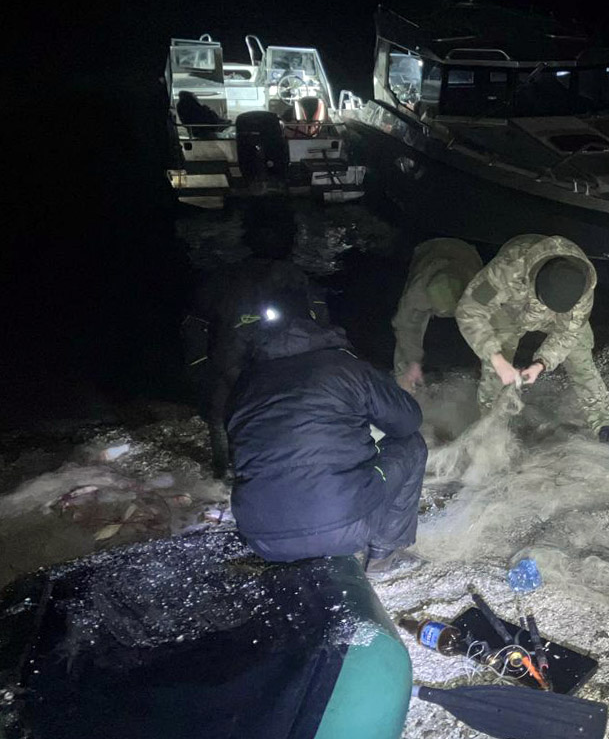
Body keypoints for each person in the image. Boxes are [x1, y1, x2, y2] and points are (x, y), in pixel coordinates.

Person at [226, 313, 428, 577]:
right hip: (343, 527)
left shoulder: (245, 384)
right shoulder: (344, 367)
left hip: (262, 539)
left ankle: (297, 549)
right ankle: (383, 556)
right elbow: (408, 422)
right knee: (411, 444)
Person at [181, 210, 328, 477]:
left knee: (225, 416)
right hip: (257, 367)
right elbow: (319, 325)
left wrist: (199, 362)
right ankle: (230, 471)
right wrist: (199, 362)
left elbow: (196, 323)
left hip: (250, 366)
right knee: (226, 416)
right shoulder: (292, 278)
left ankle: (231, 472)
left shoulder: (229, 278)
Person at [455, 234, 609, 446]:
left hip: (558, 317)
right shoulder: (509, 268)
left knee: (581, 358)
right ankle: (490, 429)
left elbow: (568, 334)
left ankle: (605, 426)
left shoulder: (582, 287)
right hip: (511, 311)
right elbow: (469, 310)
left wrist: (541, 364)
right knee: (496, 370)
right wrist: (496, 358)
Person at [391, 238, 483, 391]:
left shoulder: (476, 288)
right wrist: (413, 362)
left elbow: (492, 324)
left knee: (482, 326)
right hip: (428, 249)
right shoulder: (417, 293)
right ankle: (406, 382)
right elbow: (405, 327)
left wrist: (489, 358)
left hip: (466, 253)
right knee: (407, 329)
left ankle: (490, 380)